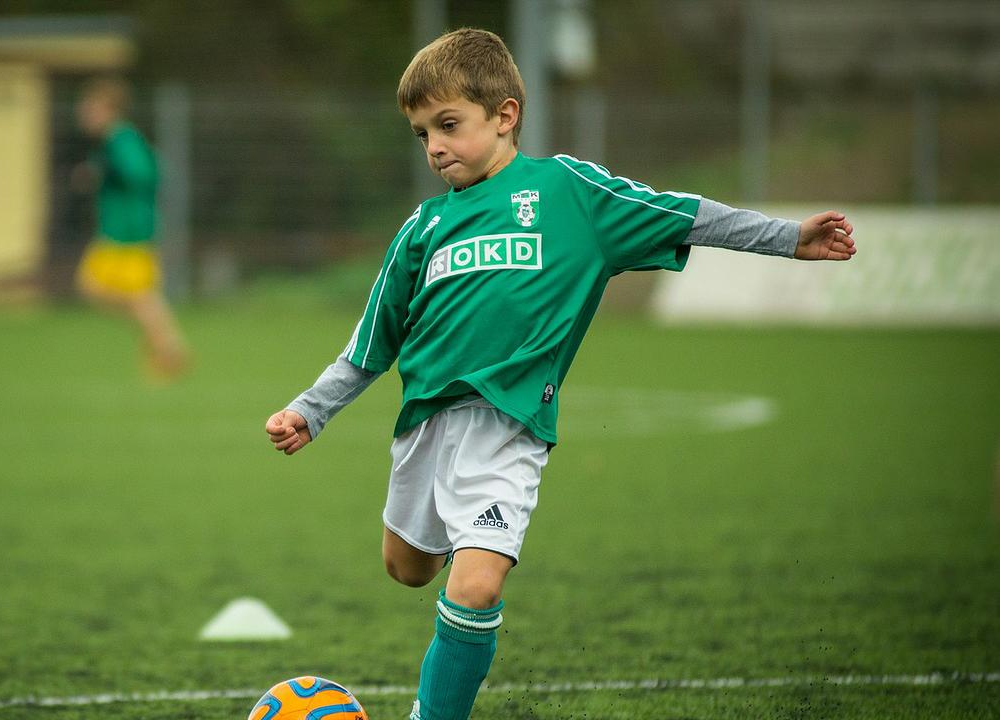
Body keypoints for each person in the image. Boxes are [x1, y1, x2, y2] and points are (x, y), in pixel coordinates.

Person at [264, 28, 857, 720]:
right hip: (424, 428)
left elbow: (684, 213)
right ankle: (439, 552)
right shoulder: (421, 229)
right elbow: (371, 343)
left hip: (508, 430)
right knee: (407, 568)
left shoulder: (567, 192)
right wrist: (311, 410)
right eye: (422, 133)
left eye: (448, 125)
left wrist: (787, 238)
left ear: (505, 115)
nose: (434, 147)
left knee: (476, 587)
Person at [74, 77, 189, 379]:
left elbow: (145, 172)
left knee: (133, 295)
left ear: (108, 109)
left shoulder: (120, 139)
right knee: (105, 291)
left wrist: (107, 172)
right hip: (118, 230)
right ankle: (163, 343)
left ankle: (168, 348)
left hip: (129, 232)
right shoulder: (113, 142)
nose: (84, 113)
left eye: (90, 108)